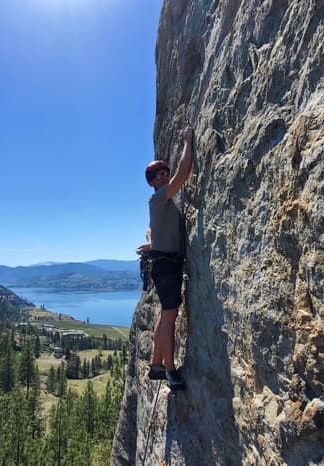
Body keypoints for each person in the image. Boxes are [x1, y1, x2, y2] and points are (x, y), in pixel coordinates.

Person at [136, 126, 193, 390]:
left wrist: (151, 243)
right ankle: (170, 371)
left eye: (165, 171)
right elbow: (184, 174)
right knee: (170, 318)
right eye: (159, 174)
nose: (165, 175)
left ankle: (157, 363)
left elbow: (152, 228)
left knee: (165, 315)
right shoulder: (160, 197)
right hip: (167, 265)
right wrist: (188, 142)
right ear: (153, 181)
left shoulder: (160, 202)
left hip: (163, 263)